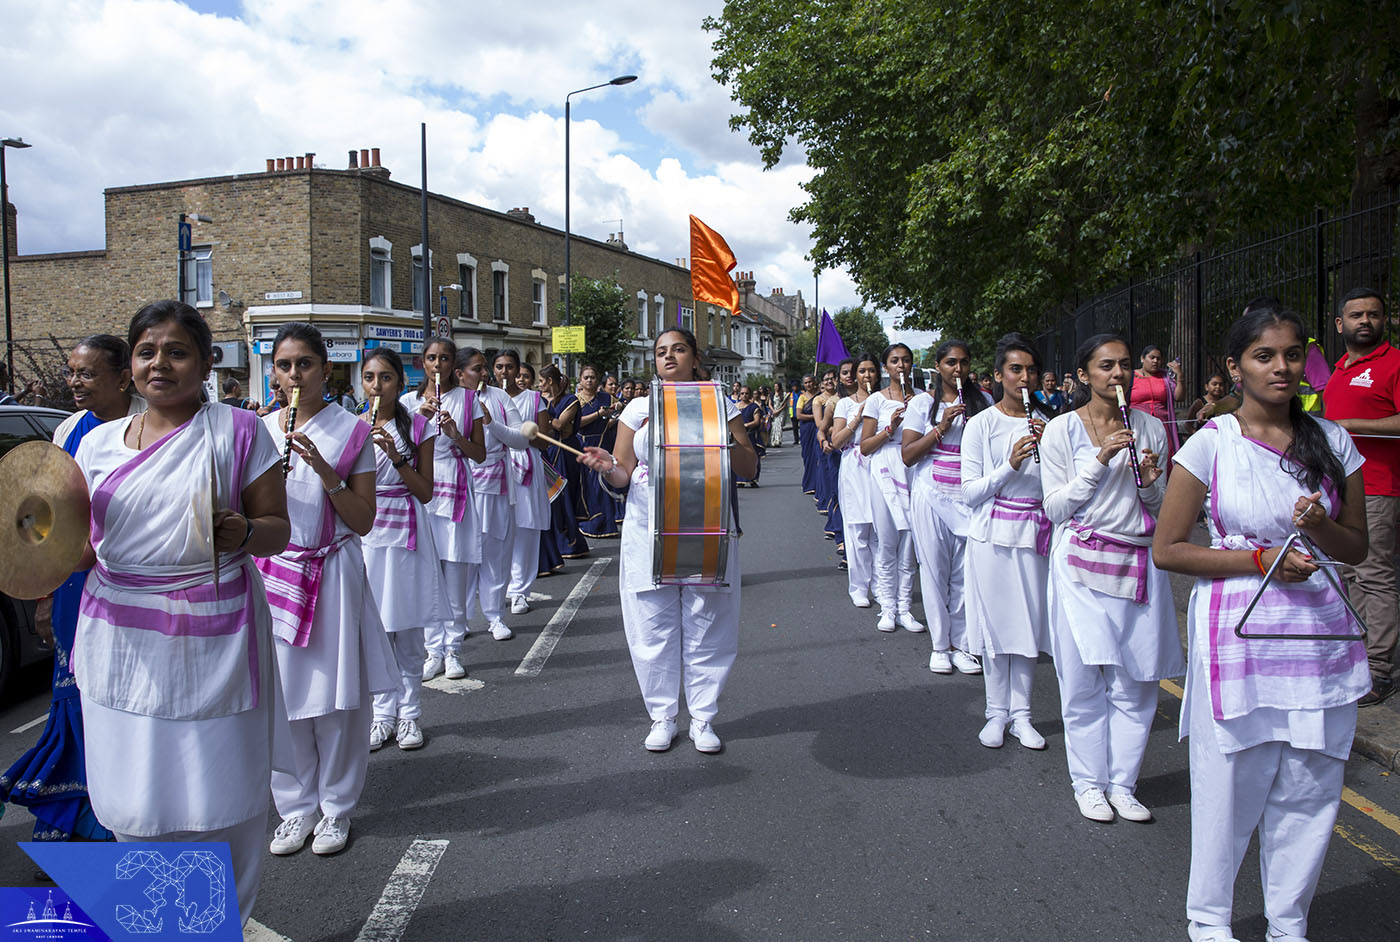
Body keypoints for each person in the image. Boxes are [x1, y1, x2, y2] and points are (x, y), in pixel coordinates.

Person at [69, 301, 290, 923]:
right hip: (119, 636)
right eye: (147, 352)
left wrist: (244, 531)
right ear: (130, 367)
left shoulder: (239, 431)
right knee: (131, 799)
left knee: (220, 793)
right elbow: (81, 548)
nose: (159, 364)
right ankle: (158, 923)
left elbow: (278, 530)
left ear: (205, 363)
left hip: (214, 633)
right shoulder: (96, 444)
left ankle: (223, 920)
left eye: (177, 352)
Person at [1154, 305, 1369, 942]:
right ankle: (1209, 917)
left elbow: (1356, 548)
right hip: (1239, 633)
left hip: (1318, 635)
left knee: (1309, 786)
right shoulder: (1211, 443)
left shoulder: (1333, 441)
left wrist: (1319, 526)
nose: (1281, 367)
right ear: (1235, 366)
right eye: (1264, 356)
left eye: (1292, 354)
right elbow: (1169, 550)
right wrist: (1260, 559)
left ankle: (1287, 921)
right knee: (1230, 785)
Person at [579, 328, 758, 753]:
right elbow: (623, 473)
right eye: (661, 352)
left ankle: (703, 717)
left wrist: (720, 441)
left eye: (679, 349)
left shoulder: (719, 402)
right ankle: (662, 716)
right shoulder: (639, 408)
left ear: (695, 358)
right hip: (648, 527)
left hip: (707, 526)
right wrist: (606, 466)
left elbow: (749, 466)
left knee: (707, 623)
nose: (669, 357)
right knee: (651, 626)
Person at [258, 322, 397, 859]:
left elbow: (363, 520)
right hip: (274, 574)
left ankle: (336, 807)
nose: (294, 375)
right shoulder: (258, 431)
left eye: (305, 364)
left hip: (332, 572)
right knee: (282, 696)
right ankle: (295, 808)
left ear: (325, 369)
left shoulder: (350, 431)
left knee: (336, 700)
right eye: (284, 365)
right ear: (273, 371)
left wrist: (324, 470)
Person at [1, 335, 142, 848]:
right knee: (77, 697)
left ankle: (129, 810)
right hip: (74, 581)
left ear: (122, 378)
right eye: (70, 373)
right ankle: (76, 813)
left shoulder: (151, 423)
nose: (74, 383)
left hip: (133, 582)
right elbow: (50, 520)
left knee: (125, 697)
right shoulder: (68, 430)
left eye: (86, 373)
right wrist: (44, 595)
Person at [1040, 333, 1184, 824]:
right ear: (1084, 375)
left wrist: (1150, 483)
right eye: (1106, 365)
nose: (1118, 373)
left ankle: (1123, 784)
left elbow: (1158, 507)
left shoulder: (1151, 427)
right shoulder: (1061, 430)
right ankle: (1088, 783)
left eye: (1124, 364)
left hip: (1138, 564)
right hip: (1079, 566)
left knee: (1137, 684)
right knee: (1082, 682)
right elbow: (1055, 508)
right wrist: (1100, 460)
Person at [960, 334, 1054, 748]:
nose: (1024, 377)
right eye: (1015, 369)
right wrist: (1009, 464)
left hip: (1035, 534)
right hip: (992, 536)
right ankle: (996, 712)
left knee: (1028, 625)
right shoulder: (981, 424)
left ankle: (1023, 715)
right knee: (997, 626)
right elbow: (970, 492)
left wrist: (1049, 449)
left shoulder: (1051, 424)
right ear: (998, 375)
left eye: (1031, 370)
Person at [359, 348, 448, 753]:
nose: (376, 386)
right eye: (369, 377)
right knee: (375, 630)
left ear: (399, 382)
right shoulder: (352, 426)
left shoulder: (417, 426)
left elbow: (426, 491)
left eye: (385, 377)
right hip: (366, 535)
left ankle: (410, 714)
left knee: (408, 630)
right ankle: (382, 715)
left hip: (408, 533)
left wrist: (396, 459)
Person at [1323, 286, 1400, 706]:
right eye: (1356, 315)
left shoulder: (1394, 363)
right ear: (1340, 324)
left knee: (1374, 575)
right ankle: (1359, 655)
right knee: (1349, 573)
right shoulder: (1338, 370)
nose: (1365, 321)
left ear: (1384, 320)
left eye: (1373, 314)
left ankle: (1381, 668)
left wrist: (1350, 425)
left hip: (1379, 486)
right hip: (1341, 487)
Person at [902, 338, 991, 671]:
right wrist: (941, 427)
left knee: (966, 574)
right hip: (932, 492)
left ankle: (963, 645)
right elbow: (908, 455)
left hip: (970, 494)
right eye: (951, 362)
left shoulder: (984, 401)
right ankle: (940, 645)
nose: (958, 369)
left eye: (964, 362)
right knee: (934, 570)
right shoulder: (923, 403)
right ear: (938, 366)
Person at [406, 338, 486, 681]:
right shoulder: (408, 403)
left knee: (454, 575)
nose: (436, 365)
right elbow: (400, 452)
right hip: (421, 489)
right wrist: (417, 421)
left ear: (453, 365)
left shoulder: (468, 400)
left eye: (443, 358)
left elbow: (480, 454)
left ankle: (452, 649)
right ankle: (432, 649)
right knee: (427, 575)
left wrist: (455, 435)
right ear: (422, 363)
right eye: (431, 358)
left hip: (455, 489)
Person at [459, 347, 530, 641]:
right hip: (461, 486)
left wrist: (491, 422)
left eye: (484, 368)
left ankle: (495, 616)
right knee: (462, 557)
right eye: (477, 368)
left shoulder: (499, 398)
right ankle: (459, 620)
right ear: (459, 373)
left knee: (495, 555)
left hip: (496, 486)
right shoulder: (451, 400)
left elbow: (521, 440)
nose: (485, 373)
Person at [860, 345, 919, 632]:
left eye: (906, 360)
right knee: (887, 540)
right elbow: (865, 446)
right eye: (895, 361)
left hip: (913, 469)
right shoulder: (876, 400)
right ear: (886, 367)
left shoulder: (922, 398)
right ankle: (887, 607)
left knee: (909, 542)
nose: (901, 365)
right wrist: (890, 429)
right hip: (884, 468)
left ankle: (905, 607)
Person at [495, 349, 551, 614]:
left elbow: (544, 441)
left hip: (525, 465)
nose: (504, 372)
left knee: (526, 528)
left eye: (509, 366)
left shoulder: (533, 399)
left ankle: (520, 591)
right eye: (499, 367)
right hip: (494, 467)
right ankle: (497, 588)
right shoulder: (484, 398)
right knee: (496, 529)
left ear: (518, 370)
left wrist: (524, 435)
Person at [830, 353, 880, 607]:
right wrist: (857, 419)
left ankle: (882, 586)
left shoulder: (884, 400)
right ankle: (859, 586)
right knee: (858, 528)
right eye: (862, 371)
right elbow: (836, 442)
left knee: (881, 530)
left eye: (871, 370)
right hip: (855, 465)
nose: (866, 375)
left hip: (881, 465)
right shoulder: (845, 404)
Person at [539, 364, 590, 567]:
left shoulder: (571, 400)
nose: (539, 385)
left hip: (565, 451)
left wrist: (544, 415)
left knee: (564, 495)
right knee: (550, 498)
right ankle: (554, 541)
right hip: (548, 450)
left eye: (541, 381)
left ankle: (571, 542)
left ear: (550, 381)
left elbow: (560, 425)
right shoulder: (541, 399)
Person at [574, 365, 623, 538]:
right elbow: (577, 423)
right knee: (586, 485)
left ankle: (606, 525)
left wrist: (617, 408)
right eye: (586, 377)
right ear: (580, 380)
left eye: (592, 377)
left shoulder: (606, 397)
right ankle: (590, 522)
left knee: (602, 483)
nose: (589, 380)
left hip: (601, 443)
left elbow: (617, 412)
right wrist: (598, 414)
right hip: (582, 444)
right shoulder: (575, 400)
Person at [1130, 344, 1187, 457]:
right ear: (1142, 359)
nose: (1155, 361)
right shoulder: (1131, 377)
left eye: (1158, 358)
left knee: (1163, 456)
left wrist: (1180, 376)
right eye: (1152, 357)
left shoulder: (1165, 377)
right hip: (1137, 426)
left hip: (1162, 425)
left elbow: (1179, 397)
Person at [1182, 372, 1240, 437]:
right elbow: (1188, 424)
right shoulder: (1199, 403)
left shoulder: (1225, 403)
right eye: (1214, 384)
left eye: (1221, 385)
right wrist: (1198, 435)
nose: (1218, 387)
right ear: (1206, 387)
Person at [736, 385, 765, 486]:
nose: (744, 395)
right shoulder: (735, 407)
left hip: (750, 435)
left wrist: (746, 425)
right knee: (739, 458)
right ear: (739, 395)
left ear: (750, 395)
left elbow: (756, 421)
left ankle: (752, 479)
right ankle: (740, 480)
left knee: (751, 457)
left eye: (746, 393)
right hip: (737, 436)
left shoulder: (754, 407)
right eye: (742, 393)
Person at [797, 375, 819, 495]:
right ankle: (809, 484)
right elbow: (799, 415)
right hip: (807, 428)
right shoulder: (802, 397)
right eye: (806, 383)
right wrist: (815, 416)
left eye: (810, 382)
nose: (808, 384)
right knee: (808, 455)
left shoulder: (820, 396)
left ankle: (818, 484)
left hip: (818, 427)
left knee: (818, 456)